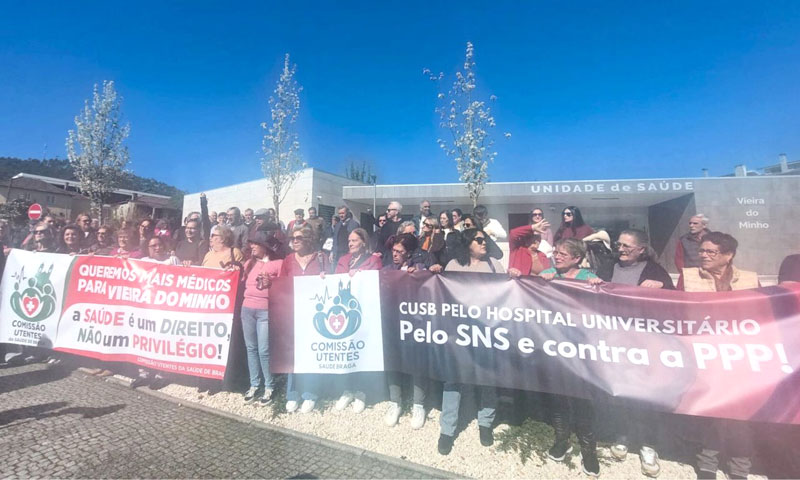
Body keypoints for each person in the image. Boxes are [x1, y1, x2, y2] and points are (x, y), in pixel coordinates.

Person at [539, 237, 601, 477]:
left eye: (563, 254)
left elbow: (602, 304)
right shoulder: (549, 273)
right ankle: (561, 441)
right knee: (559, 398)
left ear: (577, 258)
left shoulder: (587, 277)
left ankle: (589, 451)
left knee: (582, 400)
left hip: (581, 347)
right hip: (555, 344)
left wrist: (596, 286)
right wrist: (540, 280)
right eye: (556, 252)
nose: (557, 256)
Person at [438, 228, 503, 456]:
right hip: (459, 332)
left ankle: (485, 423)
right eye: (479, 240)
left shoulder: (494, 265)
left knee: (487, 379)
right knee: (453, 379)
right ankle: (447, 430)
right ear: (468, 244)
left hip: (486, 331)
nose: (484, 243)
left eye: (485, 240)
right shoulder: (454, 265)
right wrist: (436, 273)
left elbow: (506, 293)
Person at [279, 224, 330, 413]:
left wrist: (326, 278)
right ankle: (292, 393)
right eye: (293, 238)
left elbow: (330, 284)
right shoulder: (288, 260)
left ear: (308, 239)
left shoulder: (321, 258)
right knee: (293, 354)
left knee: (311, 353)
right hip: (293, 314)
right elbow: (281, 285)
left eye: (298, 238)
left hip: (314, 315)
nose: (294, 241)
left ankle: (310, 393)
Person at [332, 228, 383, 414]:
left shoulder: (373, 260)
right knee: (347, 351)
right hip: (344, 313)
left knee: (361, 353)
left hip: (365, 313)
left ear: (363, 242)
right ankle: (347, 389)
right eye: (349, 241)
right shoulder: (343, 260)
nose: (350, 243)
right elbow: (335, 280)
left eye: (354, 240)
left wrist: (360, 275)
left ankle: (362, 391)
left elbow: (377, 282)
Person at [383, 234, 430, 428]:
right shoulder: (386, 270)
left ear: (408, 253)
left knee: (416, 363)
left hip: (414, 325)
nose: (395, 254)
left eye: (399, 252)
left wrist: (420, 275)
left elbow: (431, 286)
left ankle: (419, 404)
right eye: (393, 251)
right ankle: (395, 402)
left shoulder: (419, 268)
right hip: (392, 323)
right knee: (392, 361)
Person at [240, 231, 284, 406]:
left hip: (265, 310)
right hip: (247, 309)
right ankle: (254, 384)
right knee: (251, 348)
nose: (252, 246)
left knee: (264, 350)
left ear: (265, 247)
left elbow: (284, 286)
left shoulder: (278, 264)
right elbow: (240, 281)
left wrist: (271, 283)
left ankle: (269, 386)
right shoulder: (249, 263)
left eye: (256, 244)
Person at [679, 231, 758, 292]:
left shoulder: (750, 279)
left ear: (728, 255)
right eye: (701, 251)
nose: (703, 255)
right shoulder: (688, 276)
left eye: (710, 252)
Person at [598, 229, 675, 289]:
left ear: (641, 250)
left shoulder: (655, 271)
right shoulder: (606, 268)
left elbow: (672, 295)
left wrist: (662, 285)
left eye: (626, 246)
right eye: (618, 245)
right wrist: (594, 282)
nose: (620, 249)